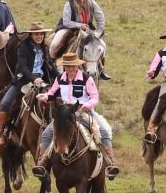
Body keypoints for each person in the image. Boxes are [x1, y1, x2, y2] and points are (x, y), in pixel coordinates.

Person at [33, 50, 118, 178]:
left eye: (72, 65)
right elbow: (52, 93)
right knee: (46, 134)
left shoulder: (86, 79)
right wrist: (45, 96)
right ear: (65, 66)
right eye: (68, 66)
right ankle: (41, 164)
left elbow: (95, 97)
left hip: (84, 112)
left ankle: (111, 164)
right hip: (65, 113)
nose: (70, 68)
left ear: (77, 65)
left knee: (104, 131)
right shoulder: (60, 78)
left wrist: (86, 106)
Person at [0, 22, 50, 146]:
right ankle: (3, 132)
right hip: (24, 80)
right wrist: (33, 79)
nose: (39, 36)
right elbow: (22, 67)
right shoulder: (24, 46)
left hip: (43, 81)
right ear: (31, 35)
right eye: (36, 34)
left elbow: (49, 66)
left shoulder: (45, 47)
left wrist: (61, 78)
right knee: (6, 103)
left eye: (41, 34)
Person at [56, 0, 109, 80]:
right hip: (69, 28)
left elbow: (100, 18)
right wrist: (80, 25)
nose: (81, 1)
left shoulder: (92, 3)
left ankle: (101, 68)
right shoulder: (69, 4)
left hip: (87, 29)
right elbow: (66, 22)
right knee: (55, 43)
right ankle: (55, 64)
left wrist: (98, 32)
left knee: (102, 45)